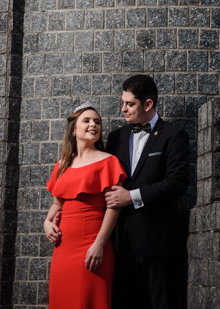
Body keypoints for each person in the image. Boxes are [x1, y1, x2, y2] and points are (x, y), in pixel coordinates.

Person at [104, 75, 190, 309]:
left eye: (129, 104)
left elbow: (178, 182)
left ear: (148, 104)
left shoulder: (173, 135)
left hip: (158, 242)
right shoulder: (116, 138)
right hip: (121, 242)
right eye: (123, 102)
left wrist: (131, 197)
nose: (123, 109)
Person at [44, 105, 127, 309]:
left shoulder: (109, 161)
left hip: (93, 244)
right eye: (87, 120)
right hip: (63, 248)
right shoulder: (62, 164)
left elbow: (114, 207)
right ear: (74, 129)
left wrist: (99, 244)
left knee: (91, 301)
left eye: (97, 122)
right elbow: (57, 203)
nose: (93, 125)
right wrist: (47, 222)